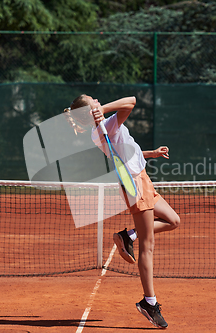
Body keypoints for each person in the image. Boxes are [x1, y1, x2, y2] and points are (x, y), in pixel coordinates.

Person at [64, 94, 180, 329]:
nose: (97, 99)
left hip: (142, 179)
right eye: (93, 100)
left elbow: (128, 153)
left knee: (173, 220)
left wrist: (152, 153)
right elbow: (132, 101)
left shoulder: (106, 129)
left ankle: (128, 236)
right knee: (148, 246)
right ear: (91, 111)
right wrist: (102, 110)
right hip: (135, 185)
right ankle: (150, 302)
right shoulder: (105, 127)